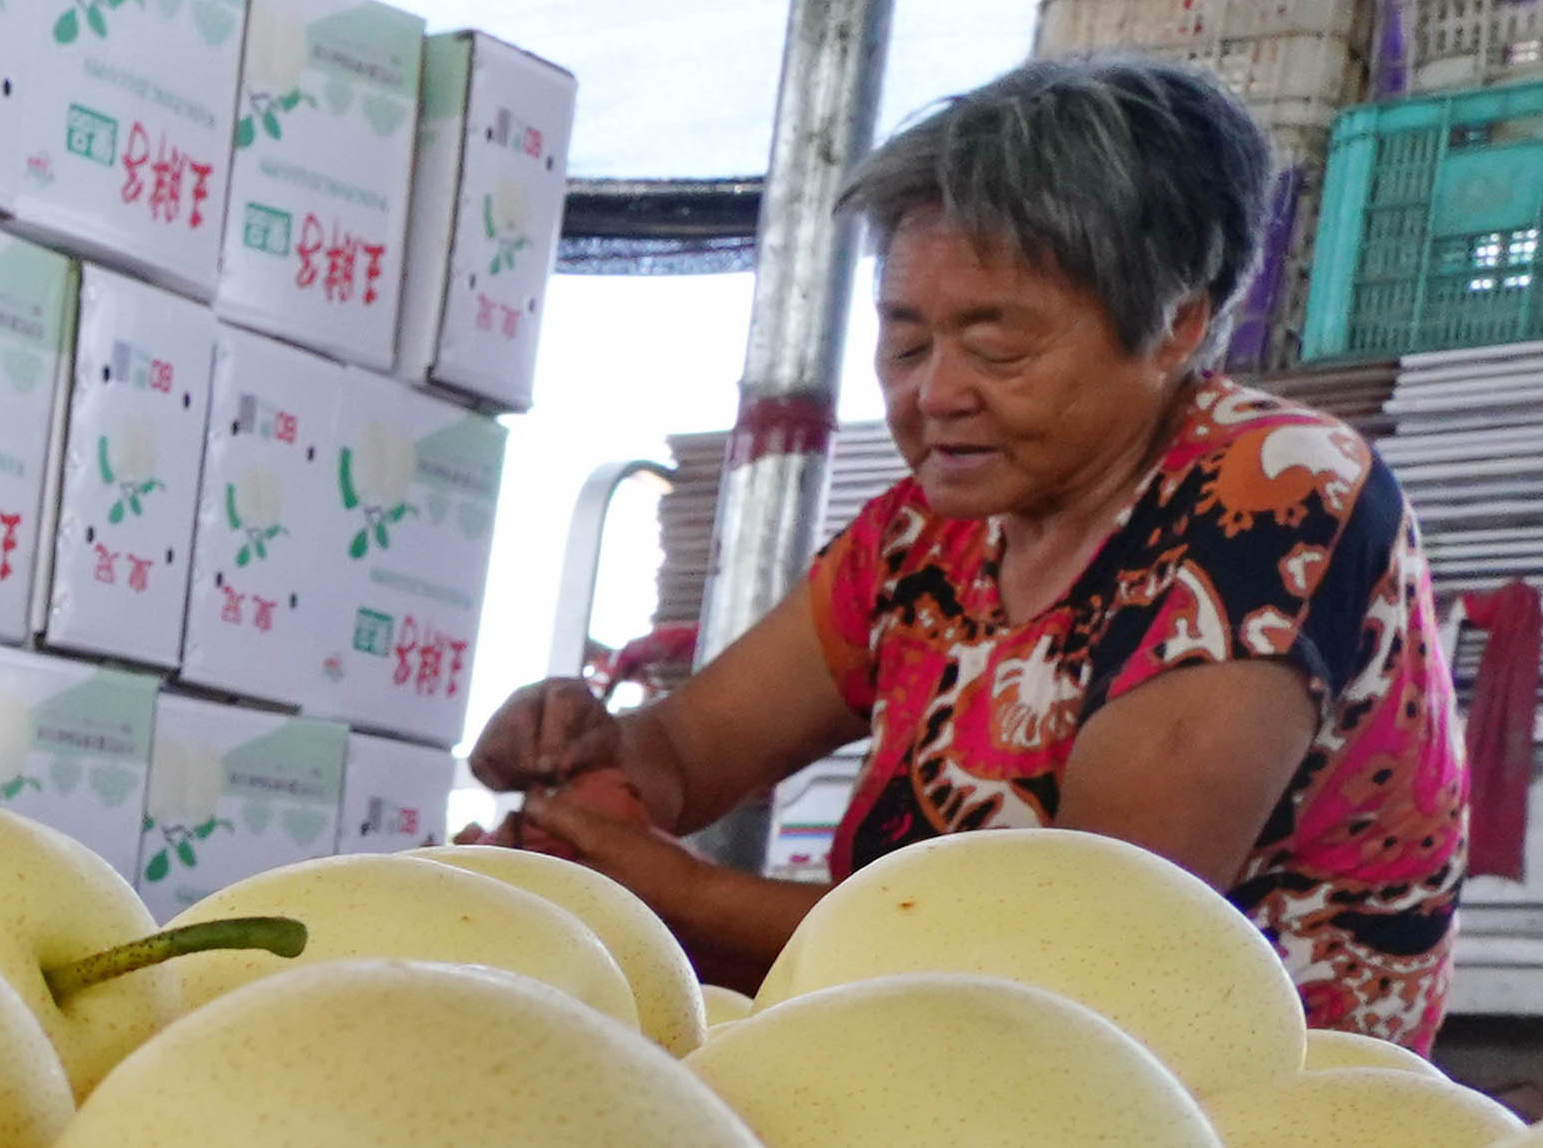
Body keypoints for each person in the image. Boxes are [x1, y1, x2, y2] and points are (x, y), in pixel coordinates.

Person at [479, 56, 1466, 1043]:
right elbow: (687, 752)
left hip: (1220, 1112)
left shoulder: (1273, 490)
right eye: (907, 345)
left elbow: (1089, 942)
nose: (935, 394)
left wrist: (684, 896)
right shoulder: (926, 533)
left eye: (997, 350)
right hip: (933, 1054)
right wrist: (590, 760)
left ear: (1176, 327)